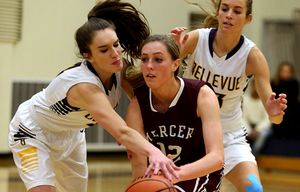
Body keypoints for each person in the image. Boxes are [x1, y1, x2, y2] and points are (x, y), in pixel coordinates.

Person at [8, 1, 179, 192]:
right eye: (104, 50)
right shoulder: (84, 86)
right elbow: (121, 132)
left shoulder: (118, 67)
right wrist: (154, 152)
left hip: (71, 135)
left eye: (116, 45)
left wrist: (174, 52)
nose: (115, 54)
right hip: (32, 131)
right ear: (87, 56)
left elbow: (147, 101)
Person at [170, 0, 287, 191]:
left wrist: (275, 112)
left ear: (248, 19)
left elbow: (276, 119)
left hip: (228, 136)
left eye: (237, 11)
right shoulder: (196, 39)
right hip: (188, 132)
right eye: (225, 9)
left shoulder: (252, 56)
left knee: (254, 189)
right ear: (218, 12)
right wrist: (170, 56)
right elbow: (163, 77)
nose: (229, 15)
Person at [126, 34, 224, 192]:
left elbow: (217, 158)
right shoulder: (137, 106)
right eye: (144, 59)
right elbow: (139, 163)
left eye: (158, 59)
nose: (149, 65)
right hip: (160, 175)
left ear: (175, 64)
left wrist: (174, 174)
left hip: (200, 173)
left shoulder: (201, 95)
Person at [271, 61, 300, 139]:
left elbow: (293, 99)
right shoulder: (274, 82)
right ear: (279, 72)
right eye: (284, 71)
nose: (286, 73)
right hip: (278, 107)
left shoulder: (294, 82)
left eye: (288, 71)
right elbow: (273, 98)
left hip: (291, 107)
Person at [243, 79, 271, 156]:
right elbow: (242, 117)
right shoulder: (244, 99)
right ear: (251, 86)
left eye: (258, 86)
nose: (255, 88)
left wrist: (257, 130)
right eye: (254, 85)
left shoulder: (266, 101)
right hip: (247, 127)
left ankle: (253, 156)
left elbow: (267, 119)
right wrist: (249, 130)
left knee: (263, 135)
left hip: (261, 128)